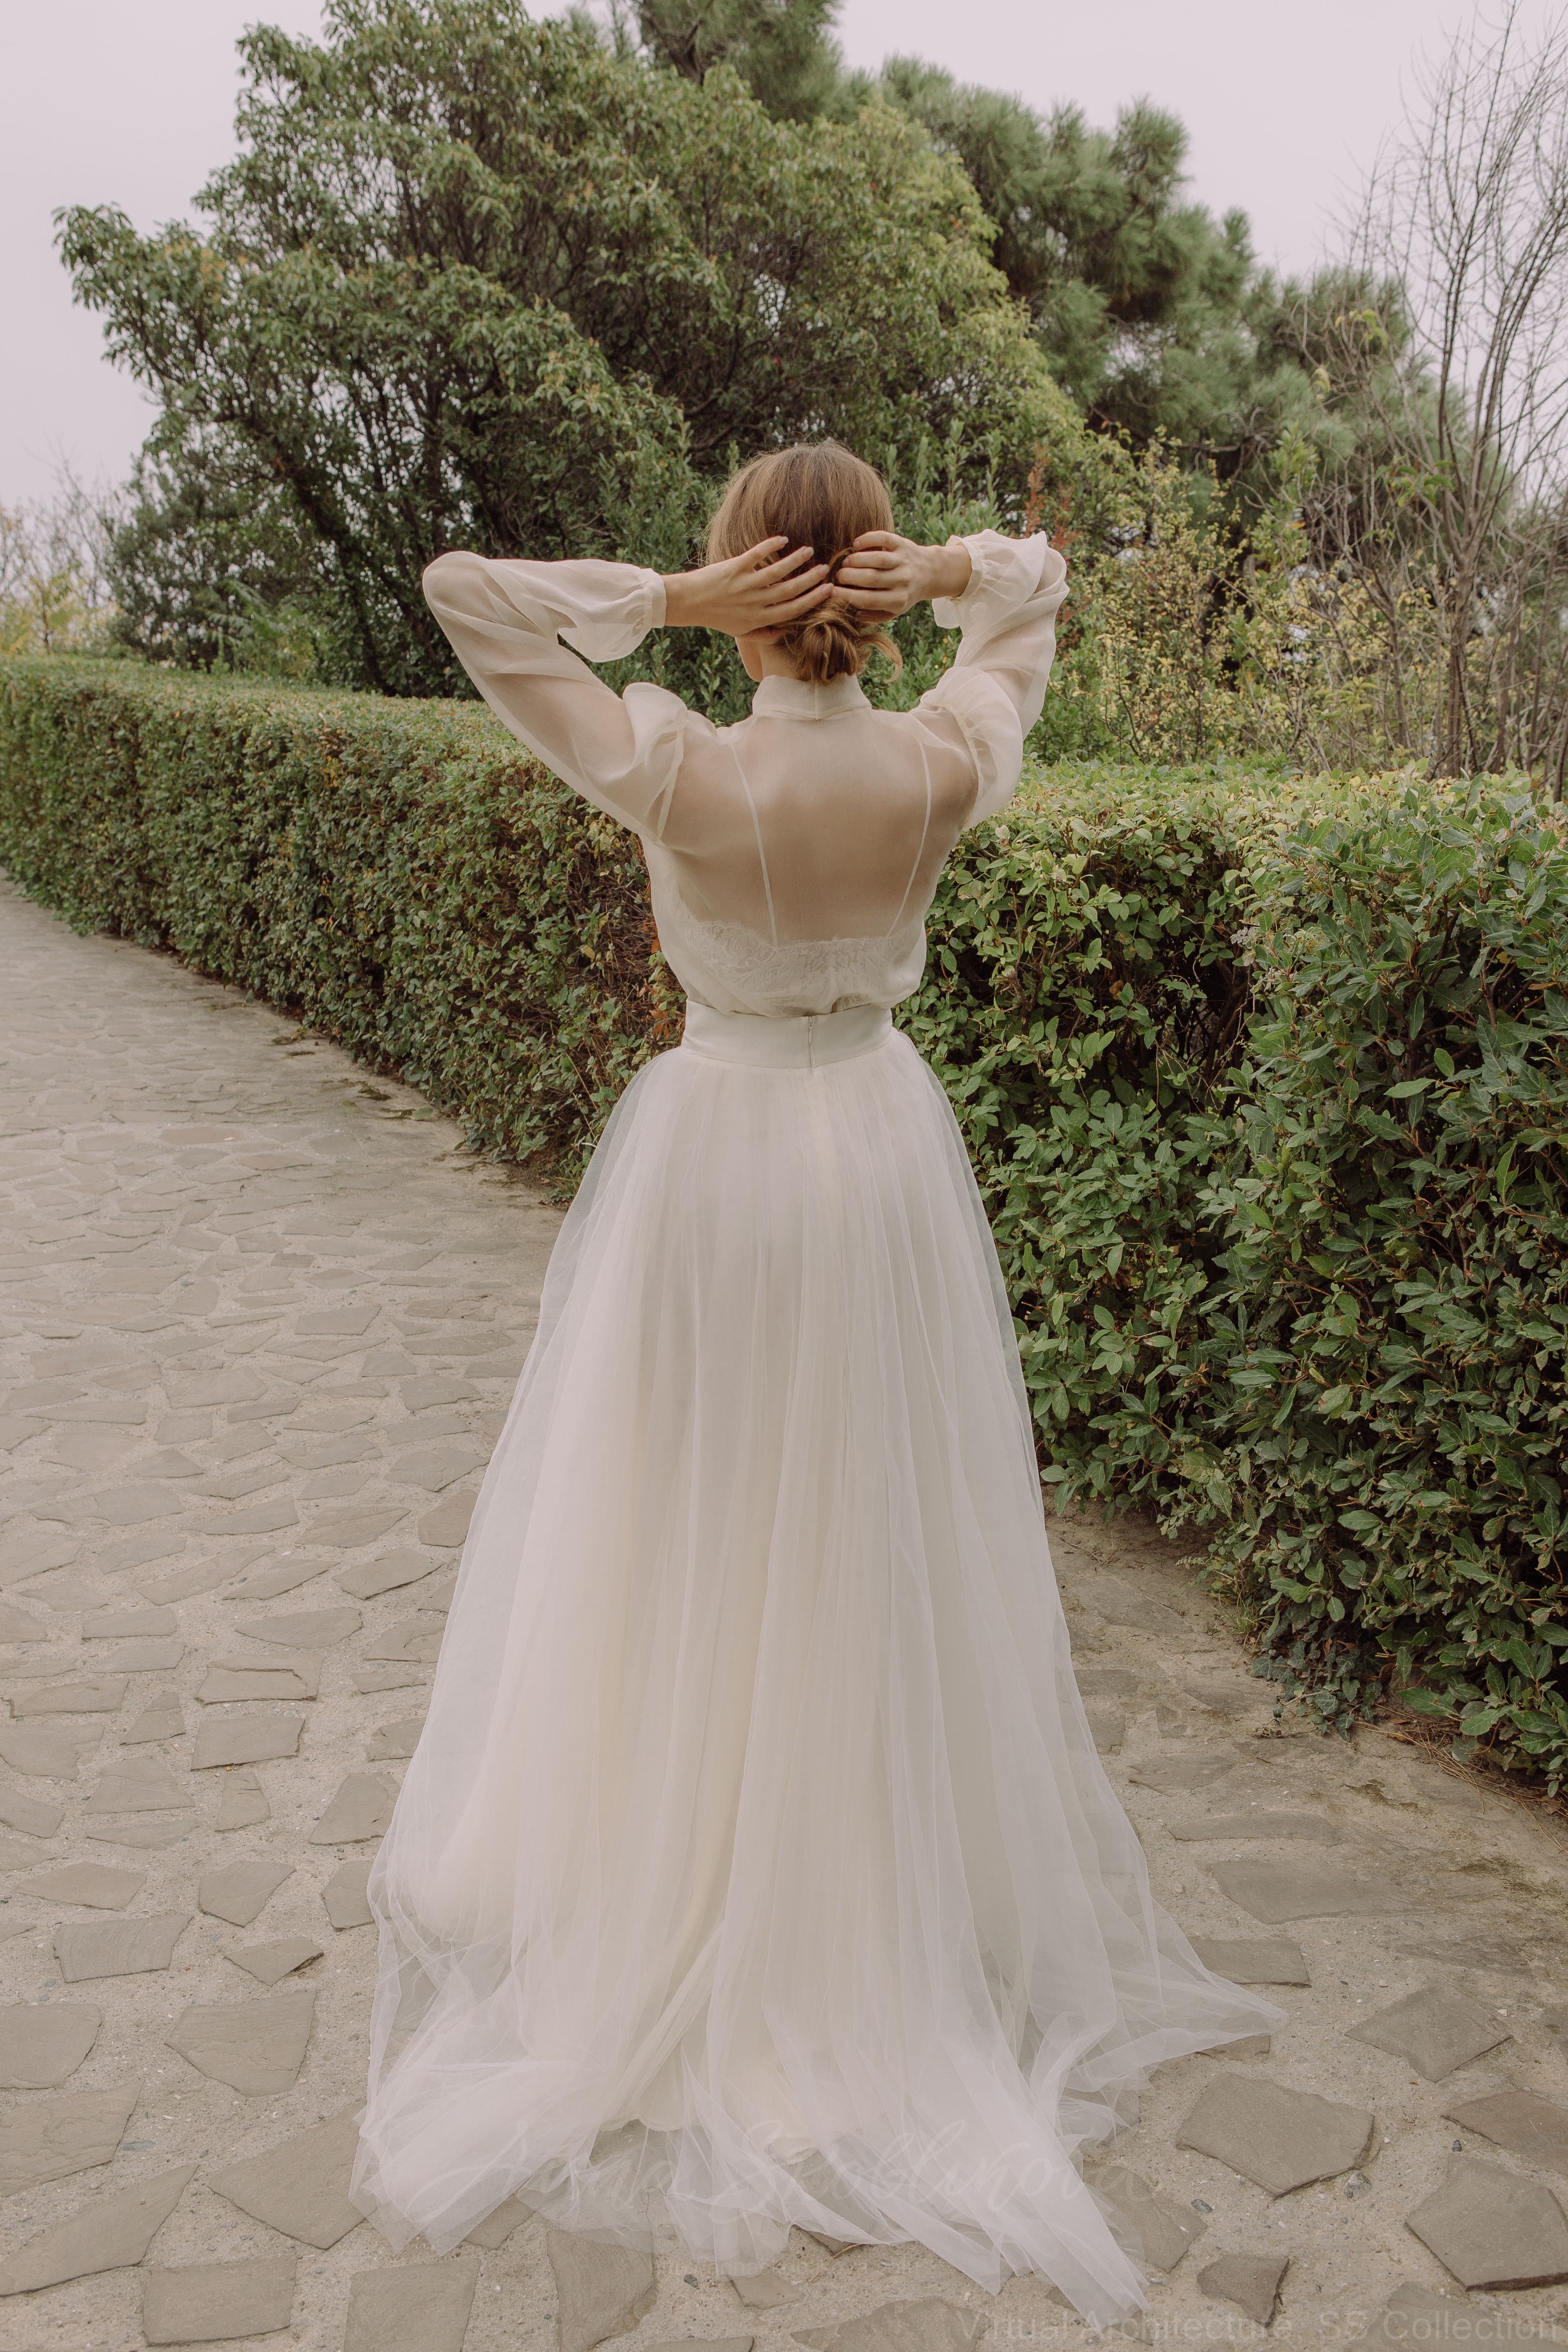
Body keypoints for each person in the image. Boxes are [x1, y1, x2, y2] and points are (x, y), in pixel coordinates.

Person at [347, 441, 1284, 2327]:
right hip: (875, 1162)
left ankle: (691, 1868)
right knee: (868, 1527)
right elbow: (1034, 591)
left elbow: (464, 596)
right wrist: (931, 572)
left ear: (752, 593)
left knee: (688, 1528)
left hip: (713, 1169)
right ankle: (856, 1904)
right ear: (864, 595)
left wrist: (678, 606)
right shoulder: (939, 763)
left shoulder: (680, 767)